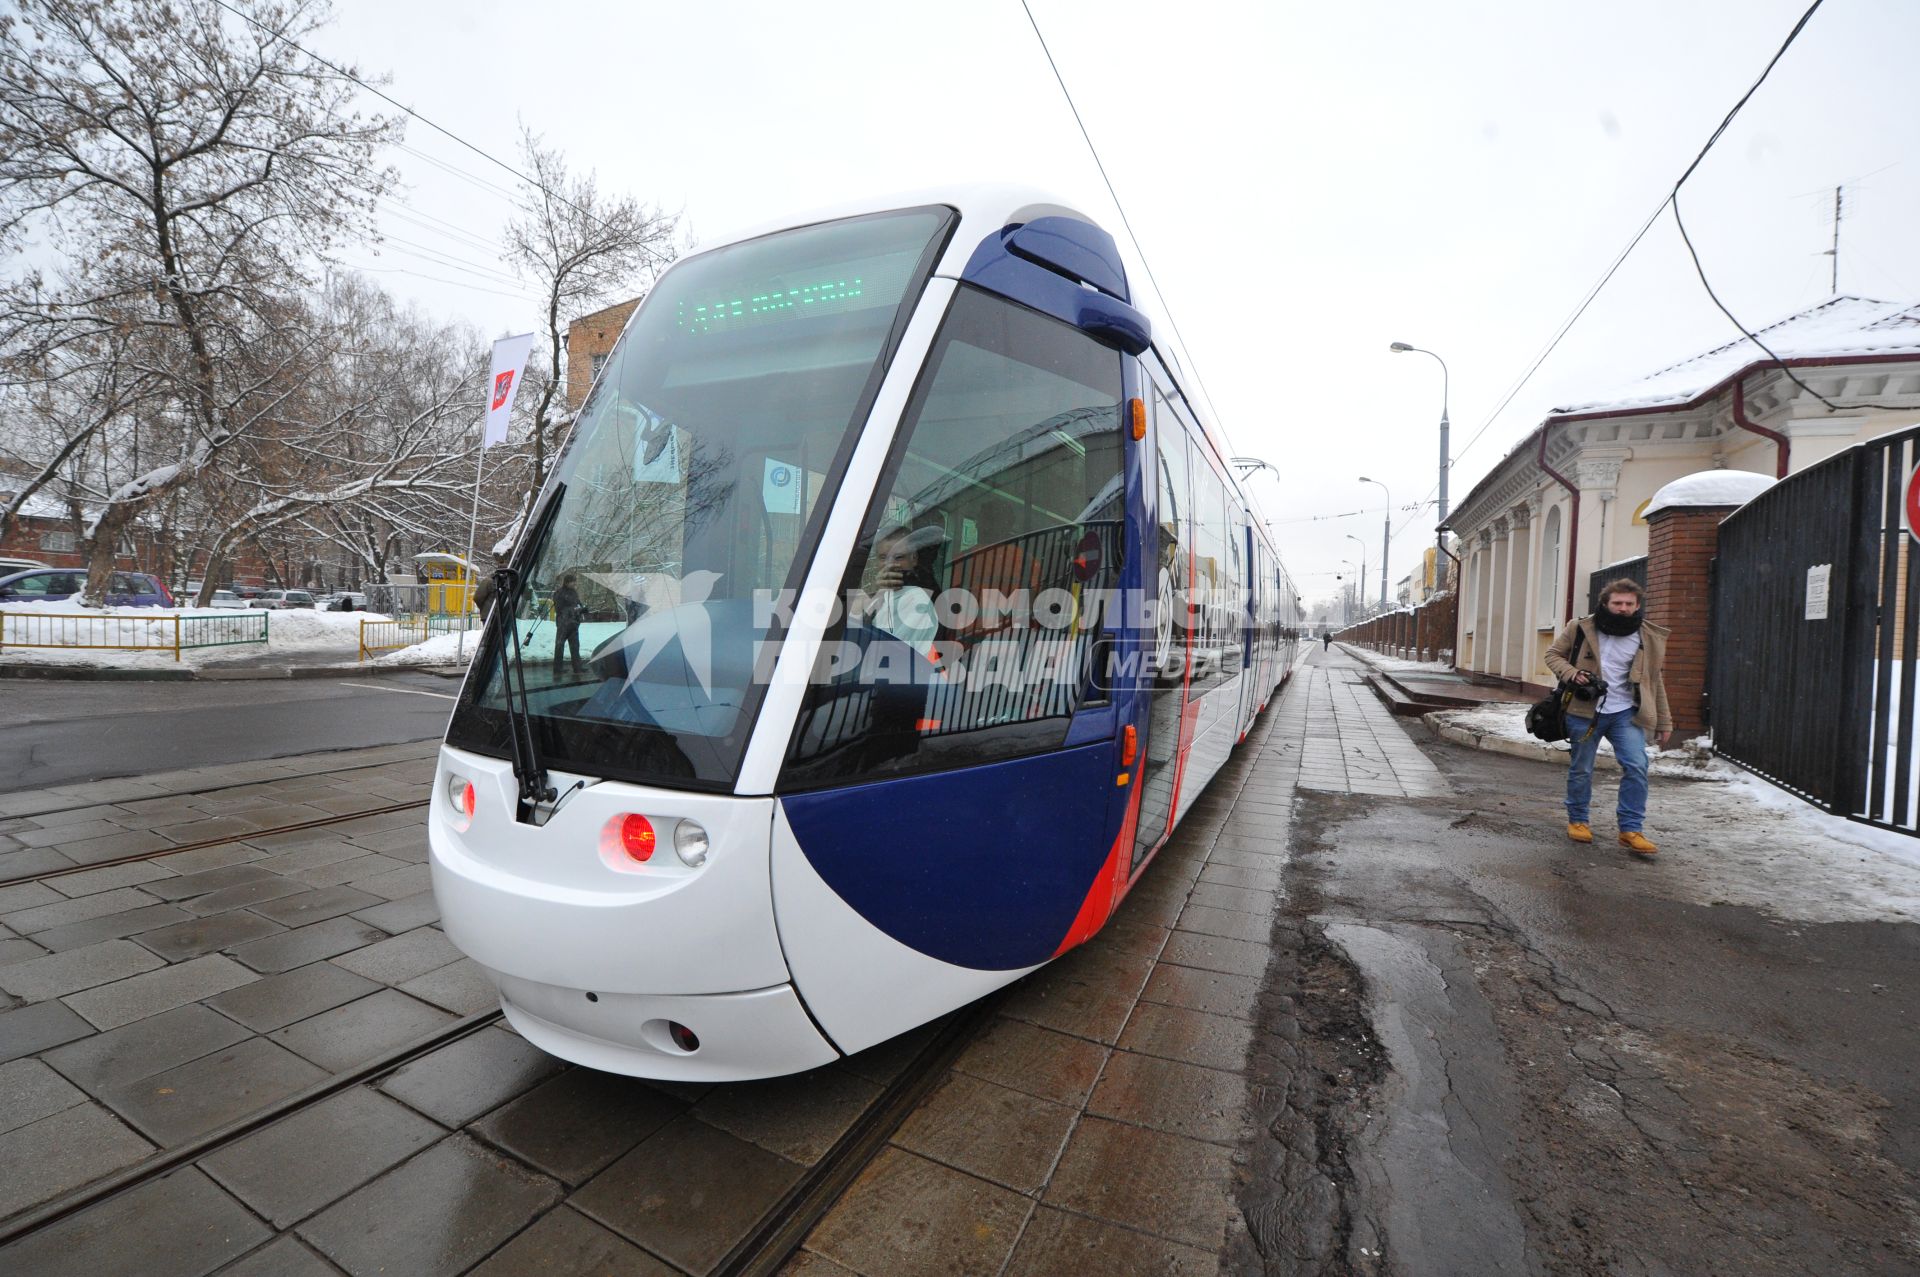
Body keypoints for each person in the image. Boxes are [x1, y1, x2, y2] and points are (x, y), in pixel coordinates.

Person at [1544, 577, 1673, 856]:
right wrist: (1572, 673)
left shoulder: (1647, 636)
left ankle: (1630, 829)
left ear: (1637, 605)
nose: (1623, 608)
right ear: (1605, 603)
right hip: (1584, 712)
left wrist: (1664, 721)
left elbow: (1654, 680)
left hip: (1626, 712)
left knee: (1637, 766)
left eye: (1629, 603)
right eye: (1617, 603)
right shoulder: (1581, 627)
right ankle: (1578, 820)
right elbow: (1553, 655)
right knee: (1582, 768)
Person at [856, 526, 940, 650]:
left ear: (914, 559)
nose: (889, 564)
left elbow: (887, 653)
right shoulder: (882, 595)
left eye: (899, 557)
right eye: (883, 557)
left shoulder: (917, 601)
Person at [551, 573, 586, 677]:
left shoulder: (573, 592)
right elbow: (560, 609)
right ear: (567, 582)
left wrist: (582, 609)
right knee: (559, 645)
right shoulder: (559, 593)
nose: (575, 583)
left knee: (575, 646)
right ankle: (557, 669)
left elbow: (577, 604)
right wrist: (575, 610)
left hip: (574, 623)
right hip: (563, 623)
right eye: (573, 581)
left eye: (575, 581)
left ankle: (577, 667)